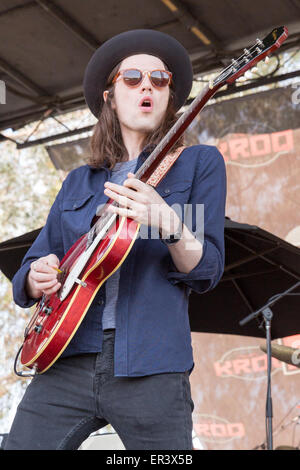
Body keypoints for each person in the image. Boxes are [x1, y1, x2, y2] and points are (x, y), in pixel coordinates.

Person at [5, 29, 226, 450]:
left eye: (159, 80)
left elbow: (207, 268)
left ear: (170, 99)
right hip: (65, 357)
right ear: (109, 96)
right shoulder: (77, 182)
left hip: (152, 365)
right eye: (132, 78)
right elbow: (30, 272)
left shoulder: (198, 165)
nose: (147, 85)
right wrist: (38, 275)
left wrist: (167, 222)